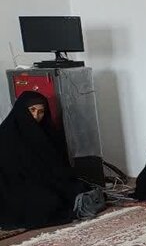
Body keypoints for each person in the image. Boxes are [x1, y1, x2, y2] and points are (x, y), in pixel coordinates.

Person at [0, 91, 89, 230]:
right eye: (32, 110)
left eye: (41, 112)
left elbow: (56, 165)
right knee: (48, 203)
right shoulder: (6, 135)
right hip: (15, 188)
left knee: (76, 191)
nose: (36, 116)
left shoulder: (46, 132)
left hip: (44, 181)